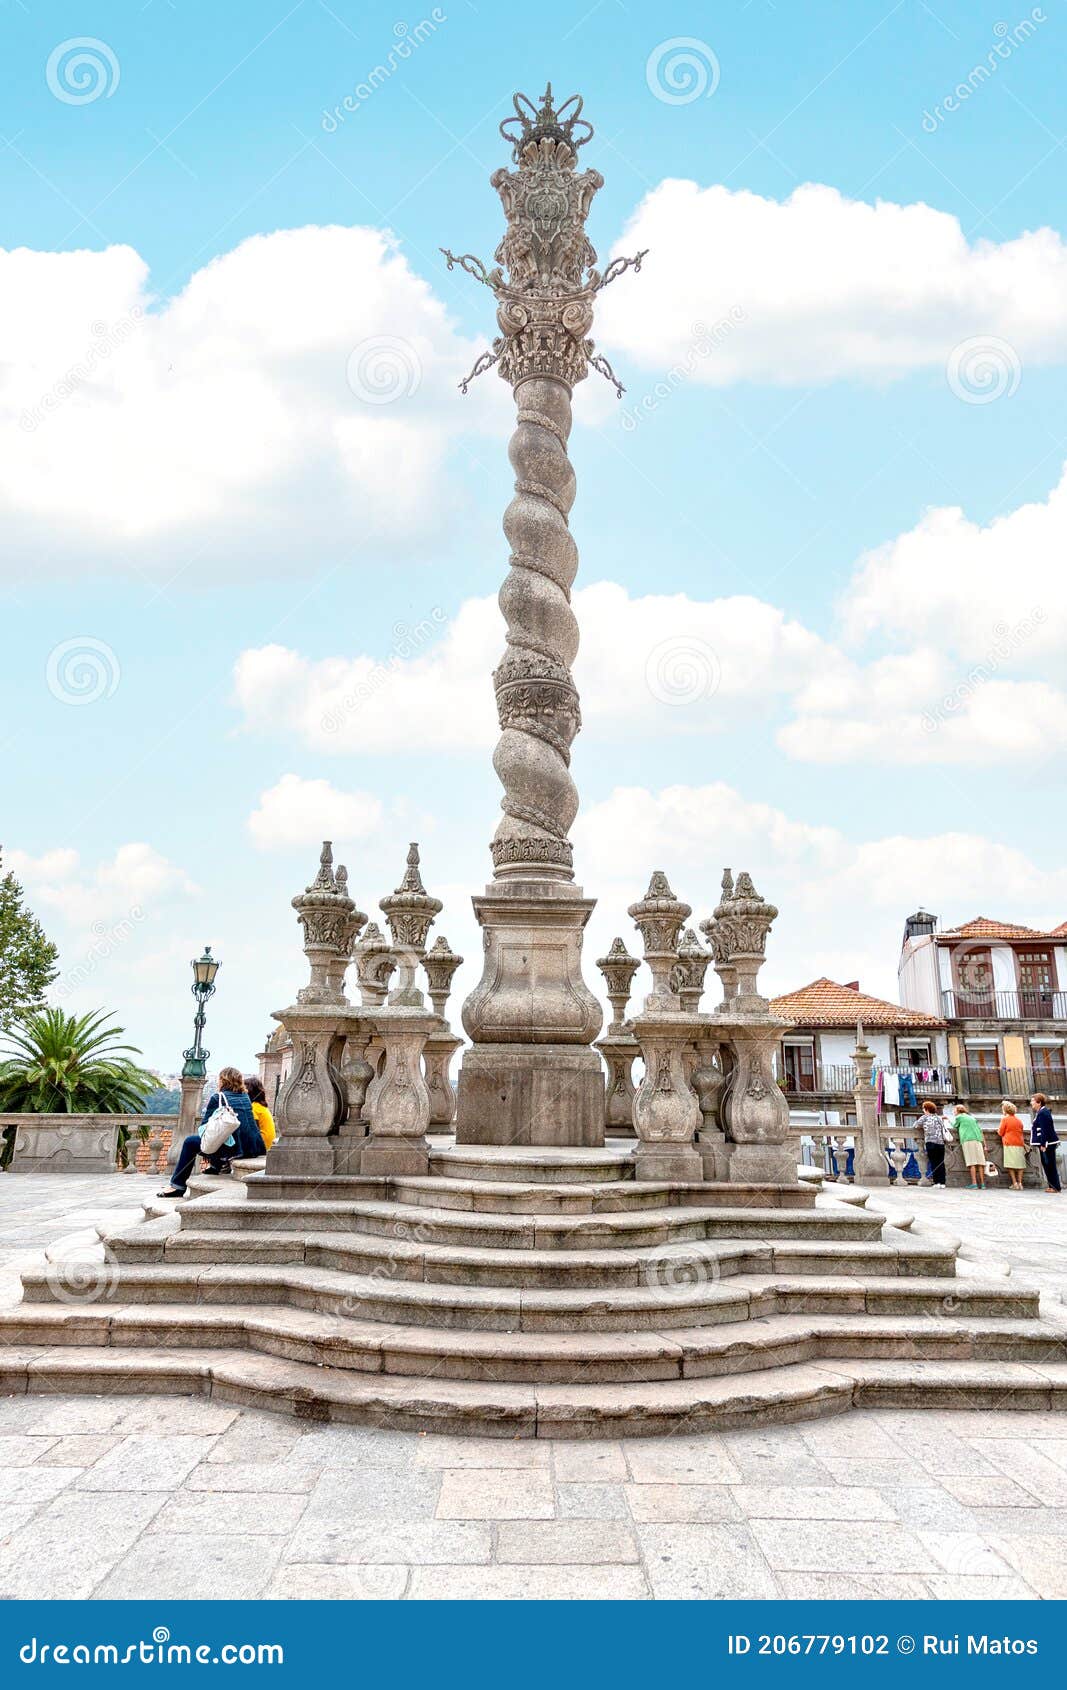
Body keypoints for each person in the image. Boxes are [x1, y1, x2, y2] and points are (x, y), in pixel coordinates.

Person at [157, 1066, 263, 1199]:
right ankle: (215, 1166)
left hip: (234, 1149)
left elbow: (205, 1129)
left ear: (222, 1081)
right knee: (222, 1137)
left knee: (191, 1142)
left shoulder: (218, 1098)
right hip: (252, 1147)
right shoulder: (245, 1097)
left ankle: (177, 1186)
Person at [1030, 1092, 1061, 1193]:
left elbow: (1045, 1129)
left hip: (1047, 1144)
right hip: (1046, 1143)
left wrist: (1044, 1144)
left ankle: (1055, 1187)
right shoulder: (1041, 1112)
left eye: (1033, 1101)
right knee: (1047, 1165)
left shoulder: (1043, 1113)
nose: (1031, 1103)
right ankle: (1052, 1186)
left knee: (1050, 1165)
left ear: (1039, 1102)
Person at [954, 1103, 987, 1189]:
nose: (954, 1112)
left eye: (954, 1110)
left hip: (968, 1140)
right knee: (980, 1163)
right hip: (978, 1140)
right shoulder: (972, 1118)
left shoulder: (959, 1117)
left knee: (971, 1162)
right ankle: (983, 1184)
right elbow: (980, 1130)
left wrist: (946, 1119)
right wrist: (985, 1145)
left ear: (958, 1111)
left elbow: (954, 1126)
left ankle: (974, 1183)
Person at [997, 1100, 1027, 1191]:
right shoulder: (1019, 1120)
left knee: (1010, 1164)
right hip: (1020, 1143)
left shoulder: (1005, 1119)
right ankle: (1020, 1183)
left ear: (1005, 1110)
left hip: (1009, 1143)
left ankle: (1014, 1183)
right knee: (1020, 1164)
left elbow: (1000, 1132)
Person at [920, 1099, 949, 1188]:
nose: (923, 1110)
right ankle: (942, 1182)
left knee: (934, 1162)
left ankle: (937, 1182)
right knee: (941, 1163)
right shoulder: (938, 1118)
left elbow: (916, 1125)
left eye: (923, 1108)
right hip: (940, 1143)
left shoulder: (924, 1117)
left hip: (930, 1142)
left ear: (926, 1109)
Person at [245, 1074, 277, 1151]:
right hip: (269, 1145)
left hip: (262, 1146)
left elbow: (253, 1131)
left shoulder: (254, 1108)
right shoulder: (262, 1106)